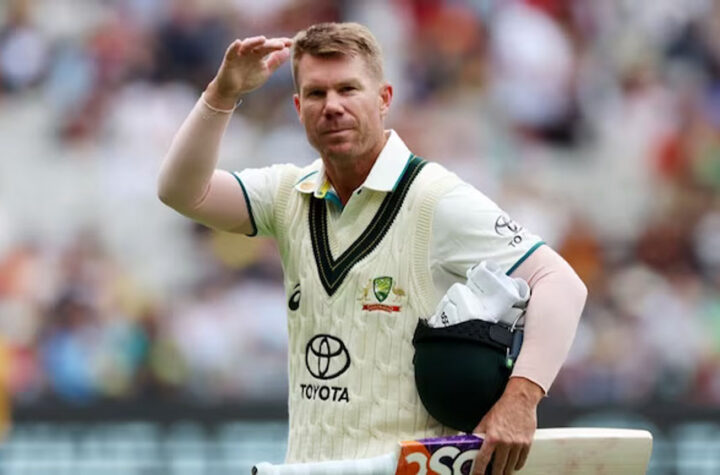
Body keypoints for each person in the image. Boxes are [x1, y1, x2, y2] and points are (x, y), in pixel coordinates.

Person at [158, 22, 587, 475]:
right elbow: (181, 191)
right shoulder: (287, 195)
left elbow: (560, 282)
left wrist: (521, 399)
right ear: (298, 107)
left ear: (384, 99)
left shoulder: (434, 198)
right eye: (317, 94)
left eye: (348, 89)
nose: (332, 106)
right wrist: (222, 94)